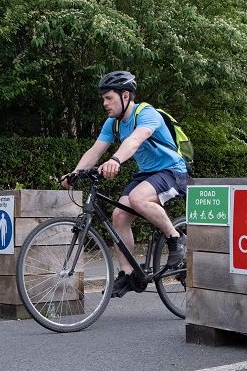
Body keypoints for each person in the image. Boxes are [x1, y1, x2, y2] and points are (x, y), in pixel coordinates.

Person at [61, 70, 189, 298]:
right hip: (148, 174)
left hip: (172, 171)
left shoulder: (146, 114)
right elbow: (95, 150)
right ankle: (128, 274)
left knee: (138, 198)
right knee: (119, 216)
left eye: (108, 98)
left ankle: (175, 238)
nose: (105, 103)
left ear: (126, 96)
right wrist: (74, 173)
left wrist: (116, 159)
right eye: (103, 99)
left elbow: (135, 140)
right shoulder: (113, 124)